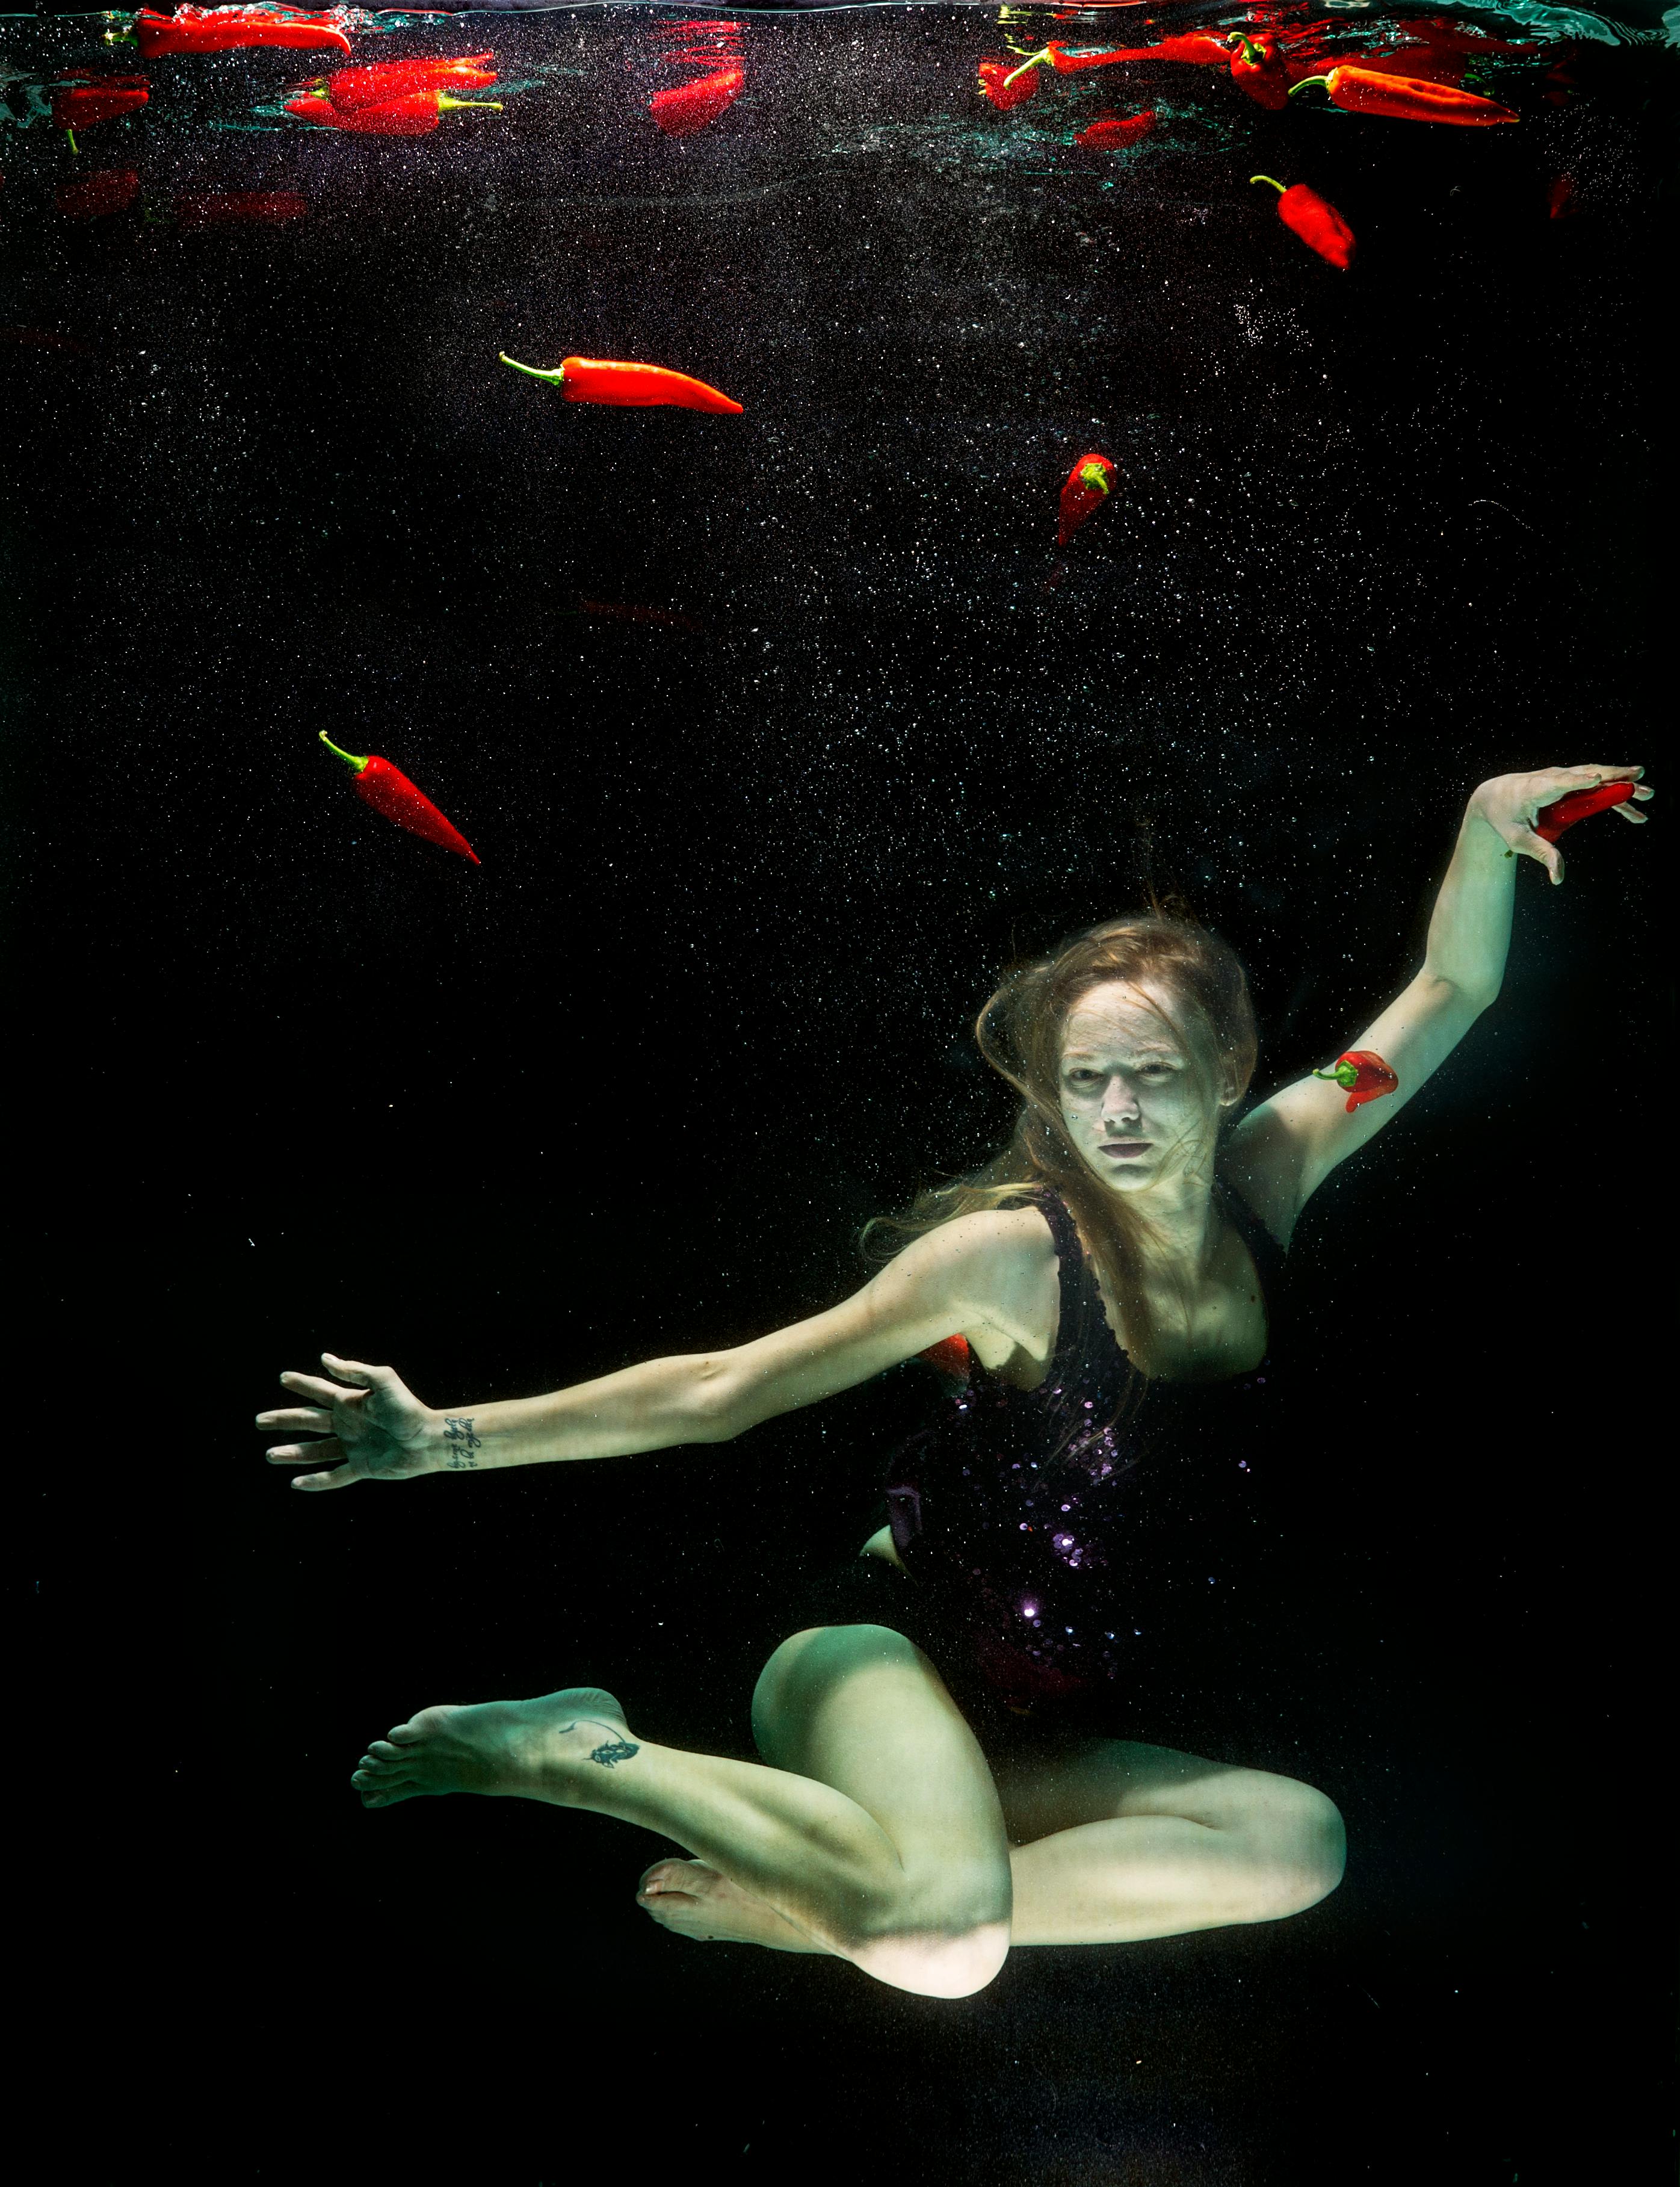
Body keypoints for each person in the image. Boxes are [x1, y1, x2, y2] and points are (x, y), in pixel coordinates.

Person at [258, 763, 1649, 1999]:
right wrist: (441, 1436)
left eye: (1152, 1077)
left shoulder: (1279, 1163)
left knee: (1300, 1842)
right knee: (946, 1953)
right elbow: (723, 1385)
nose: (1114, 1112)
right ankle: (575, 1749)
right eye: (1087, 1078)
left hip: (1035, 1715)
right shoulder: (1004, 1258)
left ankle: (825, 1910)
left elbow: (1444, 993)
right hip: (876, 1655)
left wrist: (1480, 824)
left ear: (1226, 1075)